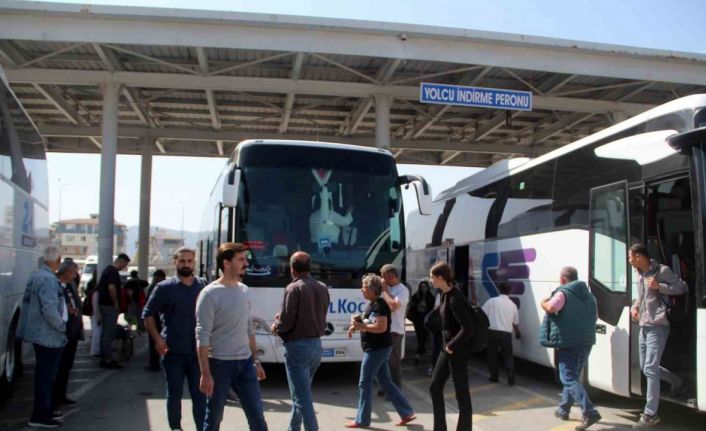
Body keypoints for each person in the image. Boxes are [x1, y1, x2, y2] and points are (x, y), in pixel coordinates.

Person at [196, 243, 268, 431]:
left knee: (257, 416)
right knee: (213, 418)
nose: (246, 263)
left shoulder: (244, 290)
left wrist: (256, 360)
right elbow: (202, 336)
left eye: (246, 259)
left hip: (245, 363)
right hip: (219, 365)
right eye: (241, 259)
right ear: (226, 263)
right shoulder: (209, 294)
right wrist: (205, 373)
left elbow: (248, 328)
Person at [143, 248, 207, 431]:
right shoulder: (164, 288)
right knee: (174, 394)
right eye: (182, 261)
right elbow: (148, 314)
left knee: (200, 396)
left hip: (197, 353)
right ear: (175, 262)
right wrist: (157, 339)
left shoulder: (202, 286)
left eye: (189, 261)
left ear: (194, 262)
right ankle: (175, 428)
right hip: (172, 352)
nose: (186, 264)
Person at [345, 274, 416, 429]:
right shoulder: (374, 303)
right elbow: (370, 320)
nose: (361, 290)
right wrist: (356, 323)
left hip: (376, 350)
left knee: (364, 383)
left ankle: (362, 420)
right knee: (386, 381)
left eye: (364, 287)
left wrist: (360, 326)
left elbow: (381, 327)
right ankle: (407, 412)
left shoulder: (380, 305)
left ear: (372, 289)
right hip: (379, 348)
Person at [628, 243, 687, 428]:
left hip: (659, 326)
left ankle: (650, 413)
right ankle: (677, 382)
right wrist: (635, 307)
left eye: (630, 257)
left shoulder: (661, 271)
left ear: (639, 256)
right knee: (647, 368)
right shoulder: (640, 273)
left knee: (650, 368)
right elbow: (642, 297)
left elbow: (682, 287)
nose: (629, 261)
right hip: (644, 325)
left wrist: (659, 286)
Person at [271, 251, 330, 431]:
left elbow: (286, 322)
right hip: (316, 346)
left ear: (292, 269)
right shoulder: (322, 287)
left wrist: (276, 326)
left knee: (302, 397)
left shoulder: (293, 288)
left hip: (297, 347)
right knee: (301, 394)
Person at [541, 266, 601, 431]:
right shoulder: (589, 296)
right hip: (587, 342)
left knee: (568, 378)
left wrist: (543, 303)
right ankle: (563, 410)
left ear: (562, 279)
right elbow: (595, 317)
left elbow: (551, 308)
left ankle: (590, 412)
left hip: (569, 343)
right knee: (573, 376)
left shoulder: (562, 293)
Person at [16, 245, 67, 428]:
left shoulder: (36, 275)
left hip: (39, 333)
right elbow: (50, 309)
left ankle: (43, 411)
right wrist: (62, 326)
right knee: (46, 377)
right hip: (48, 336)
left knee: (43, 376)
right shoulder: (48, 279)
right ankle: (40, 414)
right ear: (58, 260)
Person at [428, 262, 473, 431]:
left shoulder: (455, 298)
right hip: (448, 349)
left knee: (462, 395)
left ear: (440, 278)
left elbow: (468, 329)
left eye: (432, 277)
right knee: (435, 387)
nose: (430, 280)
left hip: (457, 350)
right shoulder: (445, 294)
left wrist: (451, 346)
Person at [52, 259, 83, 409]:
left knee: (66, 366)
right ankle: (54, 399)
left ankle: (61, 395)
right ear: (66, 272)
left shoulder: (70, 285)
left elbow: (76, 302)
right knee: (58, 367)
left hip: (73, 331)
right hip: (62, 332)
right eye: (74, 272)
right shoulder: (56, 285)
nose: (75, 276)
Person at [378, 264, 409, 394]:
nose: (382, 279)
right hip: (383, 329)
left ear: (391, 276)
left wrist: (385, 290)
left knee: (394, 362)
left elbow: (393, 306)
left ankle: (396, 390)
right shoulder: (385, 289)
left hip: (395, 331)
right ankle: (384, 387)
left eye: (383, 277)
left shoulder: (402, 290)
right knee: (382, 361)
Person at [482, 281, 521, 386]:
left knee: (492, 355)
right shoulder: (513, 305)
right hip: (506, 334)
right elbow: (515, 322)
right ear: (510, 291)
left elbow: (482, 314)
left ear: (498, 290)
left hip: (492, 332)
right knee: (508, 356)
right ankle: (510, 376)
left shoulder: (491, 301)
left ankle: (494, 377)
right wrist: (517, 332)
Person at [97, 253, 131, 369]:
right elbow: (111, 288)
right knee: (109, 332)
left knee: (105, 332)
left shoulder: (106, 270)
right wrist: (116, 303)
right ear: (120, 261)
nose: (124, 267)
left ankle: (104, 356)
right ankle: (108, 359)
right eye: (125, 264)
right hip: (109, 306)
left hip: (103, 304)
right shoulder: (112, 272)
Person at [406, 279, 435, 362]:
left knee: (424, 335)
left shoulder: (430, 297)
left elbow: (432, 308)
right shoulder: (416, 296)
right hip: (418, 319)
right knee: (420, 335)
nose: (423, 288)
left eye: (425, 287)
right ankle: (419, 351)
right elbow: (412, 306)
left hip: (426, 319)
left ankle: (420, 351)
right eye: (421, 287)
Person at [145, 269, 167, 372]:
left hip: (154, 319)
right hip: (159, 319)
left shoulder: (156, 288)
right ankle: (155, 363)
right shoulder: (163, 287)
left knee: (154, 342)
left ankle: (154, 364)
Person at [85, 270, 101, 357]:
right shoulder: (96, 289)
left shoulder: (91, 282)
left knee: (95, 331)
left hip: (93, 311)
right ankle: (134, 328)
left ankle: (134, 327)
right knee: (97, 332)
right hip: (95, 311)